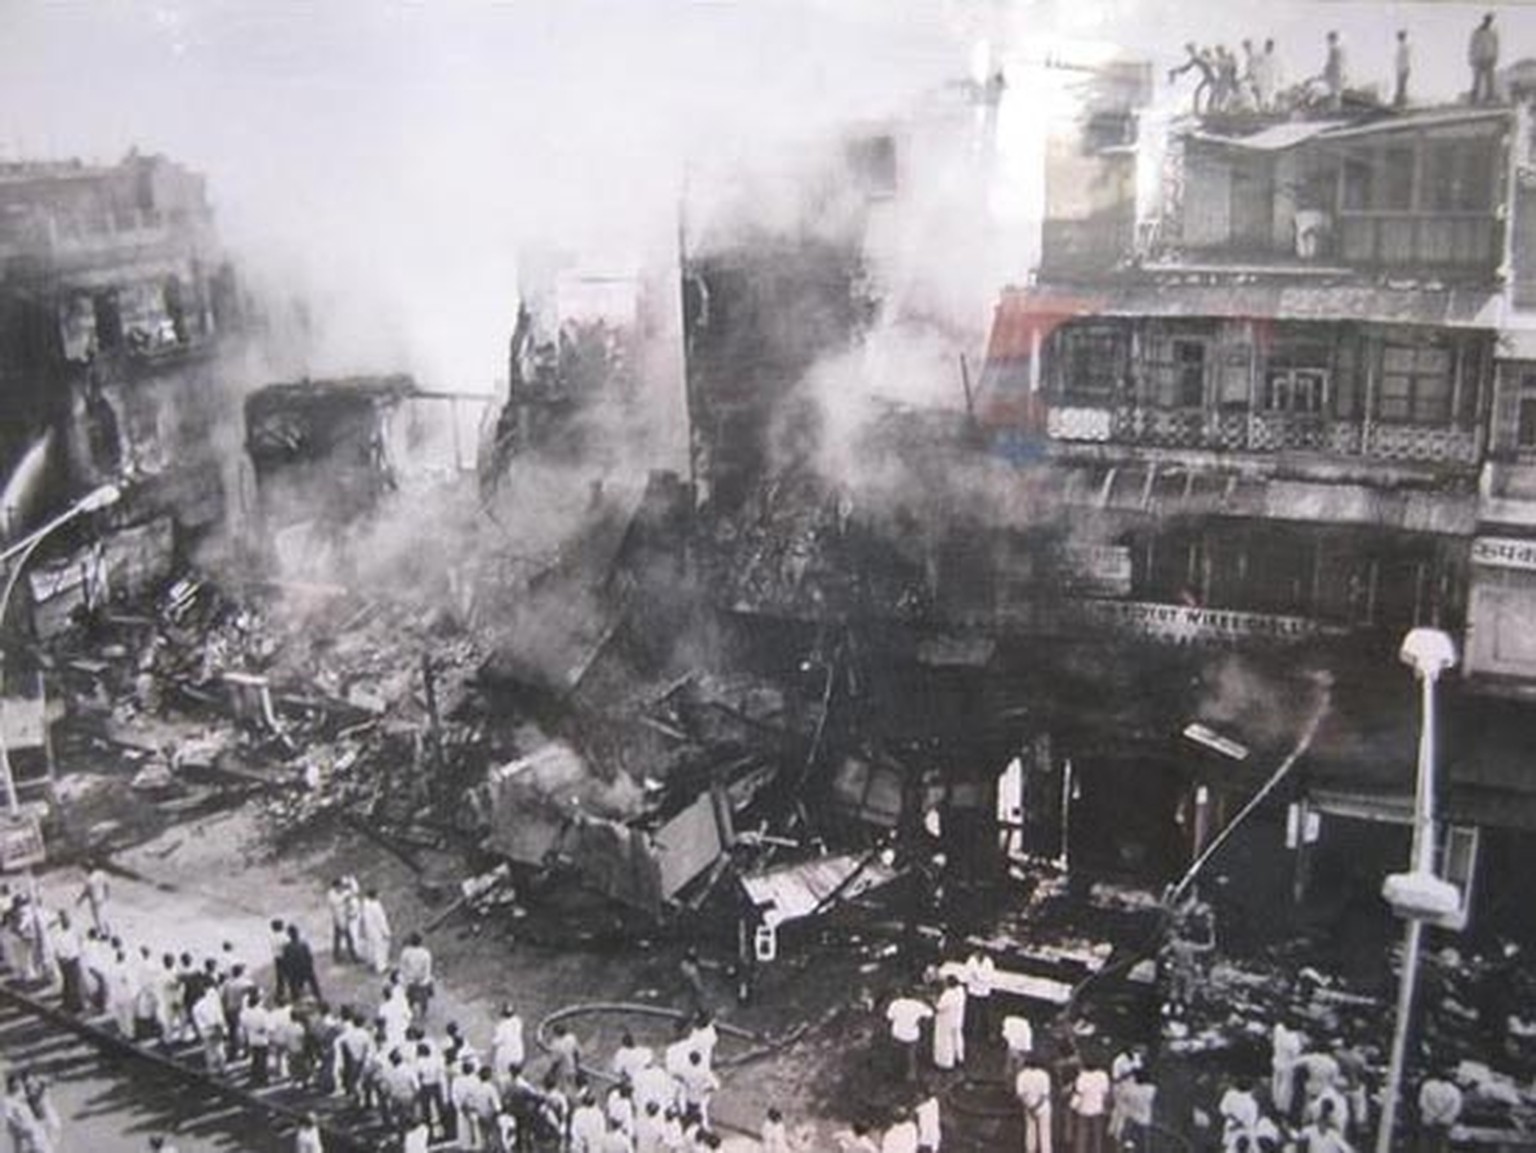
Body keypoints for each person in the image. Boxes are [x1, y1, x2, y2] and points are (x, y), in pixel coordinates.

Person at [886, 993, 933, 1082]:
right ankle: (911, 1073)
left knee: (896, 1051)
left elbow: (889, 1017)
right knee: (911, 1053)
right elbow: (930, 1013)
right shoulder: (918, 1004)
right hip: (911, 1035)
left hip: (897, 1033)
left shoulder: (896, 1003)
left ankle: (895, 1070)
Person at [1072, 1060, 1112, 1153]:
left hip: (1083, 1110)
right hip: (1098, 1109)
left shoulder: (1082, 1077)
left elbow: (1078, 1093)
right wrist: (1106, 1107)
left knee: (1081, 1137)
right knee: (1097, 1137)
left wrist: (1073, 1107)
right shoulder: (1103, 1076)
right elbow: (1106, 1093)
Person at [1417, 1073, 1463, 1153]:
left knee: (1426, 1144)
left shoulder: (1427, 1086)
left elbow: (1422, 1103)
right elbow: (1456, 1109)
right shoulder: (1455, 1091)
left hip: (1428, 1120)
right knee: (1442, 1144)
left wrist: (1432, 1114)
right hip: (1445, 1122)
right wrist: (1444, 1117)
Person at [1016, 1056, 1053, 1153]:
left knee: (1030, 1131)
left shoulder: (1022, 1075)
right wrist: (1037, 1106)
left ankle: (1030, 1150)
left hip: (1028, 1105)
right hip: (1043, 1107)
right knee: (1045, 1132)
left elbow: (1020, 1095)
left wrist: (1030, 1107)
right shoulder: (1044, 1075)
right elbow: (1045, 1095)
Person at [50, 912, 83, 1014]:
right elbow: (56, 950)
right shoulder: (59, 934)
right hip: (65, 961)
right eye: (64, 920)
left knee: (75, 983)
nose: (66, 922)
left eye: (67, 920)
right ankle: (68, 1003)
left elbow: (79, 943)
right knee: (68, 982)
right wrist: (60, 960)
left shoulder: (74, 931)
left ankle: (75, 1005)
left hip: (74, 959)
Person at [398, 932, 434, 1021]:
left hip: (409, 979)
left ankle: (408, 1010)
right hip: (422, 980)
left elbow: (402, 967)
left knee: (406, 994)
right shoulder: (425, 953)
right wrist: (424, 979)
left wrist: (407, 978)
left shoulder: (406, 952)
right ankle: (423, 1012)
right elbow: (428, 969)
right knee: (427, 991)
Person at [933, 975, 966, 1071]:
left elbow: (939, 1007)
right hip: (957, 1019)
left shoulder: (948, 995)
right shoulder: (961, 991)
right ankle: (959, 1057)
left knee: (945, 1041)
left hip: (946, 1021)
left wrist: (934, 1000)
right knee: (957, 1038)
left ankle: (946, 1063)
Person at [282, 925, 323, 1002]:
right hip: (306, 970)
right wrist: (309, 968)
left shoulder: (287, 947)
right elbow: (309, 958)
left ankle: (295, 996)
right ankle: (318, 996)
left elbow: (286, 962)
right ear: (298, 933)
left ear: (289, 936)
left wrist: (287, 973)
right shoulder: (304, 945)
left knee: (292, 982)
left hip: (295, 972)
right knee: (313, 982)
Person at [963, 953, 995, 1050]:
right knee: (971, 1014)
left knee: (985, 1014)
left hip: (984, 992)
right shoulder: (971, 960)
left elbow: (988, 978)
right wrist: (977, 977)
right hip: (973, 991)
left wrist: (976, 976)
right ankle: (968, 1033)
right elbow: (967, 976)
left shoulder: (989, 962)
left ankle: (985, 1034)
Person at [1272, 1024, 1303, 1120]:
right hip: (1287, 1064)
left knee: (1277, 1085)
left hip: (1278, 1061)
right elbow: (1296, 1053)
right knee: (1285, 1088)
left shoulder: (1279, 1028)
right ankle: (1282, 1109)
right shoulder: (1293, 1037)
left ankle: (1276, 1104)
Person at [358, 889, 391, 975]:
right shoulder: (376, 906)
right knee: (380, 948)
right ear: (375, 896)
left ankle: (371, 963)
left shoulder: (365, 904)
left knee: (371, 947)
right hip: (377, 930)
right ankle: (381, 967)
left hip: (369, 929)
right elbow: (381, 920)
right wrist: (386, 932)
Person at [327, 877, 360, 964]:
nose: (340, 888)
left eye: (341, 886)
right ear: (335, 887)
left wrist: (351, 880)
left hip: (344, 919)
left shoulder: (343, 893)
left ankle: (352, 956)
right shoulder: (331, 895)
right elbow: (337, 902)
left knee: (347, 938)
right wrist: (345, 898)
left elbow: (355, 891)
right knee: (338, 938)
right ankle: (337, 956)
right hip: (338, 919)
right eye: (339, 887)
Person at [1470, 13, 1499, 105]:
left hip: (1489, 58)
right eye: (1487, 20)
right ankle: (1474, 98)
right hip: (1479, 58)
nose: (1489, 22)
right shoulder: (1477, 32)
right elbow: (1472, 45)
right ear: (1484, 20)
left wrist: (1495, 57)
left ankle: (1490, 98)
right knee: (1477, 79)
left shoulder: (1493, 32)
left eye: (1490, 20)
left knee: (1490, 80)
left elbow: (1496, 45)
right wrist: (1472, 58)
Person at [492, 1002, 526, 1081]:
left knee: (502, 1071)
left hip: (505, 1052)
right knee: (514, 1067)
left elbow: (498, 1039)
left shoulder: (502, 1025)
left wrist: (493, 1041)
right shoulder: (518, 1021)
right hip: (517, 1050)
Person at [77, 864, 110, 936]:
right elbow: (106, 885)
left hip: (94, 900)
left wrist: (80, 900)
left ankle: (102, 933)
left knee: (97, 918)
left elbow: (86, 892)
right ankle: (107, 931)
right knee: (103, 915)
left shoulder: (90, 879)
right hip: (102, 898)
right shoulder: (101, 873)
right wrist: (107, 894)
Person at [1253, 39, 1280, 111]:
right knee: (1261, 93)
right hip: (1261, 78)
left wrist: (1279, 77)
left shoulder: (1274, 57)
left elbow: (1277, 68)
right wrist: (1255, 76)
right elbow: (1255, 65)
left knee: (1270, 93)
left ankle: (1268, 107)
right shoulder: (1260, 55)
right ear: (1265, 46)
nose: (1269, 47)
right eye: (1268, 46)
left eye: (1271, 46)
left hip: (1270, 78)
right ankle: (1261, 108)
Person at [1322, 32, 1346, 111]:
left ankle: (1335, 109)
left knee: (1335, 94)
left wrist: (1328, 71)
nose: (1329, 42)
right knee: (1333, 93)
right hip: (1333, 76)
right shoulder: (1334, 49)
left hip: (1336, 75)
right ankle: (1334, 108)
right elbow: (1331, 62)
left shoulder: (1336, 49)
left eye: (1330, 39)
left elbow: (1337, 63)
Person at [1394, 30, 1411, 108]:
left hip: (1403, 69)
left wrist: (1402, 69)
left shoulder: (1403, 46)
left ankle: (1401, 103)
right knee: (1401, 86)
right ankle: (1401, 102)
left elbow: (1402, 58)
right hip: (1402, 68)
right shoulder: (1403, 46)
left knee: (1401, 87)